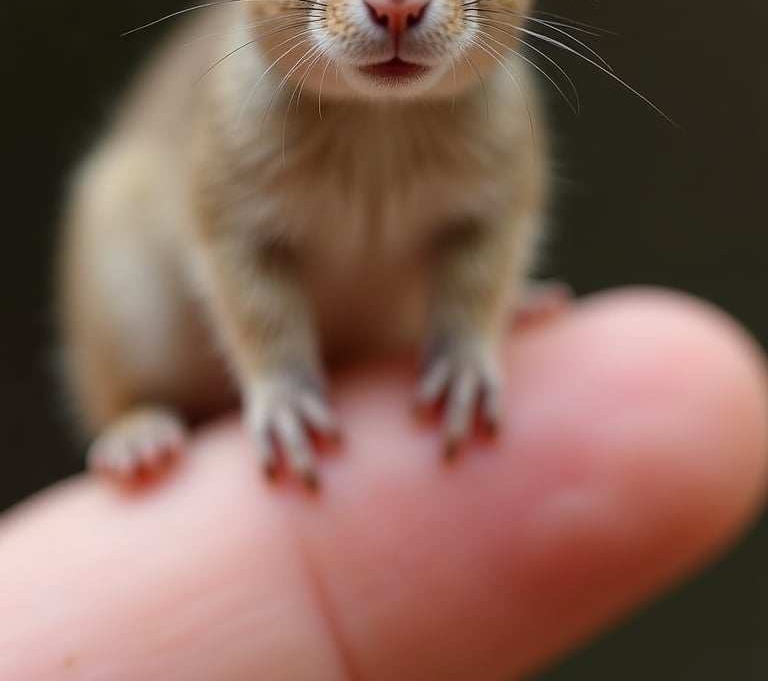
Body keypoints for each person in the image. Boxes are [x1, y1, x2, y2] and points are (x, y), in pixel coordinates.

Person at [1, 288, 766, 680]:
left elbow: (482, 212)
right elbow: (239, 234)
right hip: (206, 352)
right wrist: (273, 374)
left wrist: (468, 321)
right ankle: (136, 406)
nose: (397, 4)